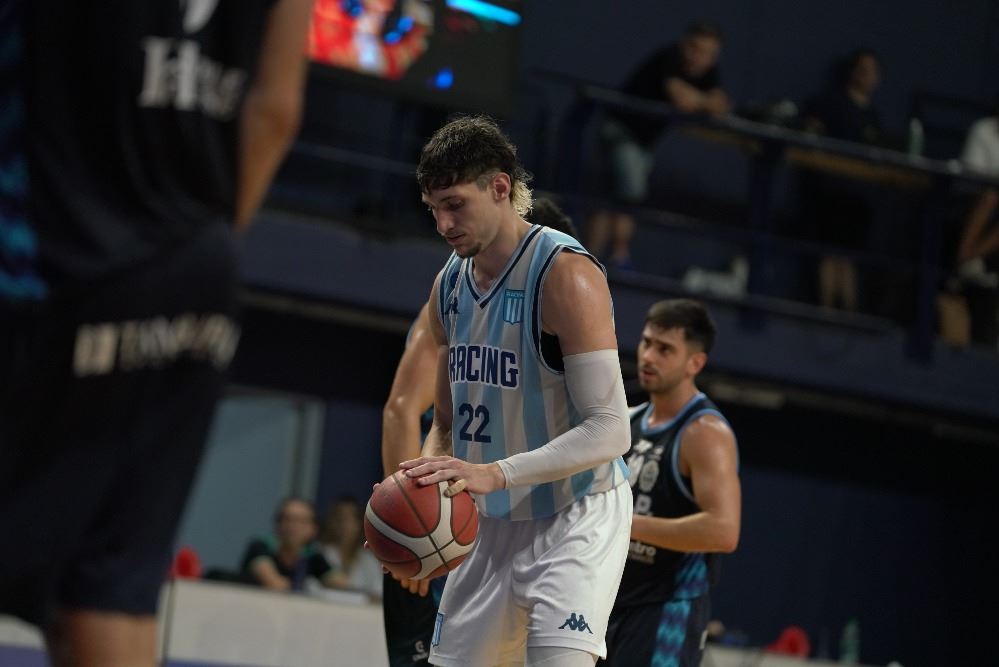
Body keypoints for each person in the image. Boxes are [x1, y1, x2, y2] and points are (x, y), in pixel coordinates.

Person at [0, 1, 311, 665]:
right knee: (108, 591)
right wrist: (196, 248)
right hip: (198, 272)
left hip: (57, 259)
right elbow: (277, 109)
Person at [398, 116, 633, 667]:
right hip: (491, 519)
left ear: (500, 187)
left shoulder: (565, 275)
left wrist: (495, 473)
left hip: (576, 511)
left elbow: (611, 429)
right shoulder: (448, 286)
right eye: (433, 209)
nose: (443, 224)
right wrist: (425, 502)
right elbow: (446, 425)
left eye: (455, 205)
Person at [379, 197, 581, 666]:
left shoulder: (553, 318)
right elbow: (401, 410)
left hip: (512, 525)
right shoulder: (454, 300)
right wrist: (416, 527)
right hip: (444, 522)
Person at [600, 299, 740, 667]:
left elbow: (724, 531)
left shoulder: (705, 433)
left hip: (667, 609)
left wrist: (624, 523)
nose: (648, 356)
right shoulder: (628, 420)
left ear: (695, 363)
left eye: (665, 349)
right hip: (608, 600)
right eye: (647, 343)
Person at [587, 21, 730, 270]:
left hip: (643, 143)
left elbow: (720, 106)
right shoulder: (668, 57)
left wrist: (699, 99)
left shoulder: (708, 72)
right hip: (620, 131)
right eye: (695, 49)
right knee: (627, 192)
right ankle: (616, 257)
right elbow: (682, 100)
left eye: (708, 53)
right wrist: (702, 100)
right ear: (684, 45)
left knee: (614, 197)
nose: (699, 58)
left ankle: (598, 259)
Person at [801, 49, 884, 312]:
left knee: (849, 257)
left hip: (858, 197)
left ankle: (847, 315)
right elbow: (811, 131)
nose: (866, 76)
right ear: (852, 72)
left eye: (872, 72)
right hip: (831, 192)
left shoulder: (872, 116)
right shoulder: (832, 104)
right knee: (829, 253)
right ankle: (825, 310)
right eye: (862, 70)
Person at [242, 498, 343, 592]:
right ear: (278, 524)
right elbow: (275, 584)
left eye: (301, 521)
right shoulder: (260, 547)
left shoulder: (312, 555)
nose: (292, 526)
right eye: (287, 519)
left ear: (313, 529)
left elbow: (341, 583)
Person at [319, 496, 384, 599]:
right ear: (331, 522)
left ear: (360, 524)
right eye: (340, 518)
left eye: (350, 519)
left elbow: (378, 593)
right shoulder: (321, 554)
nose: (344, 525)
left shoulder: (369, 560)